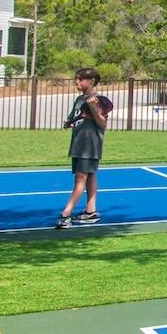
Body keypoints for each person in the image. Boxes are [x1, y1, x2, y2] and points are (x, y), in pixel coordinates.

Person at [56, 67, 111, 229]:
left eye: (81, 79)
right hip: (78, 144)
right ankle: (90, 212)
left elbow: (102, 123)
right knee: (90, 175)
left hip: (90, 145)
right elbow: (76, 117)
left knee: (81, 179)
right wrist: (69, 123)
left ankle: (66, 213)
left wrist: (94, 108)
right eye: (76, 79)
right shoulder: (79, 100)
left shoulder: (98, 99)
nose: (77, 82)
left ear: (91, 81)